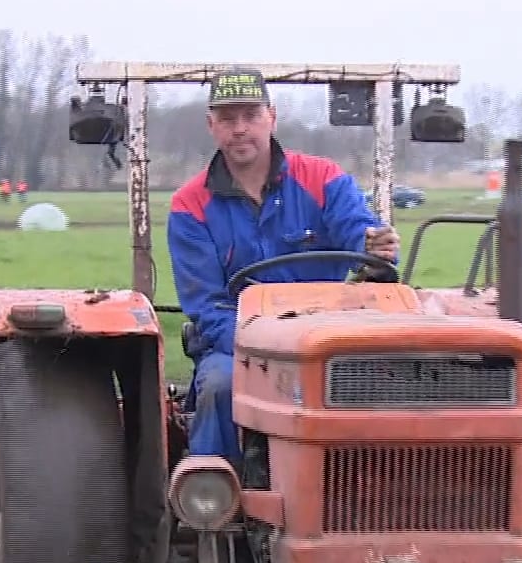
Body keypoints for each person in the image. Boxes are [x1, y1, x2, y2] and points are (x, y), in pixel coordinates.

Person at [168, 67, 400, 465]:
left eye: (250, 115)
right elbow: (207, 307)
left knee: (390, 379)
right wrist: (271, 351)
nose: (240, 128)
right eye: (227, 118)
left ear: (271, 117)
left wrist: (372, 245)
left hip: (330, 340)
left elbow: (356, 230)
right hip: (239, 346)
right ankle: (216, 503)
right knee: (220, 385)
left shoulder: (323, 178)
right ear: (211, 125)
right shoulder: (190, 206)